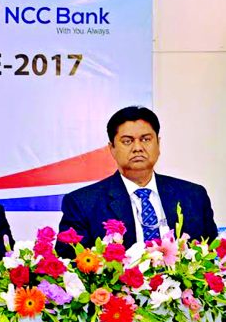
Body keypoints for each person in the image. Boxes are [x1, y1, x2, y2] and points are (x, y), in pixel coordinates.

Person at [58, 106, 218, 257]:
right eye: (127, 141)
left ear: (158, 144)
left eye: (146, 139)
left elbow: (212, 256)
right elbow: (70, 264)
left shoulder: (193, 196)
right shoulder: (82, 203)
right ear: (112, 148)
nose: (138, 148)